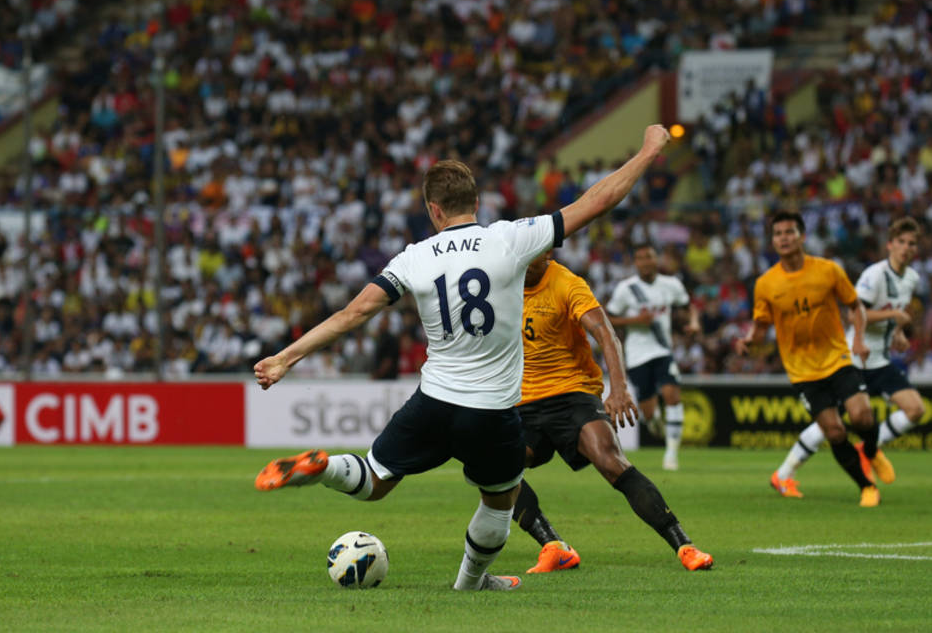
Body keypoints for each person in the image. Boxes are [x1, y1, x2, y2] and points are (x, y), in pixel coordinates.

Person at [251, 124, 673, 591]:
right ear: (477, 202)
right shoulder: (511, 239)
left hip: (433, 400)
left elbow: (353, 313)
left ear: (434, 210)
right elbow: (597, 201)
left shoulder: (413, 257)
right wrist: (647, 151)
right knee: (501, 498)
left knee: (374, 478)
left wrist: (286, 358)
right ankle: (470, 583)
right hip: (492, 410)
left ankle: (326, 467)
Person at [511, 249, 714, 573]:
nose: (520, 261)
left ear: (547, 252)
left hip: (572, 392)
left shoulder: (567, 283)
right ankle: (554, 547)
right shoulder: (502, 283)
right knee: (493, 469)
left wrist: (618, 389)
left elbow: (605, 333)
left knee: (610, 461)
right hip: (524, 401)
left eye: (529, 255)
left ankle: (685, 546)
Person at [733, 211, 891, 508]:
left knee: (862, 416)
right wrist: (749, 341)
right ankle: (867, 486)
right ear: (773, 241)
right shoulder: (766, 283)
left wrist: (858, 339)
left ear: (802, 236)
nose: (784, 238)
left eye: (789, 232)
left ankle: (870, 451)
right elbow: (761, 325)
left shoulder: (828, 270)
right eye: (778, 234)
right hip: (802, 371)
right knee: (834, 431)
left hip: (837, 357)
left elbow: (855, 306)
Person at [768, 217, 926, 497]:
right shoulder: (874, 275)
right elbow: (857, 313)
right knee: (830, 426)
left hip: (881, 360)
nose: (906, 248)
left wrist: (898, 331)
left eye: (911, 243)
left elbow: (896, 313)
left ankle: (868, 450)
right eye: (901, 242)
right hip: (855, 358)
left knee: (915, 409)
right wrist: (893, 316)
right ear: (889, 245)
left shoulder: (911, 278)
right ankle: (783, 474)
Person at [606, 242, 700, 470]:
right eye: (641, 258)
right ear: (635, 262)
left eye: (649, 256)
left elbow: (689, 306)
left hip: (663, 351)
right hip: (637, 356)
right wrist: (635, 321)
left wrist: (694, 322)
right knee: (648, 414)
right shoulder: (626, 289)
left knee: (672, 396)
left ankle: (671, 455)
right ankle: (655, 420)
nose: (646, 262)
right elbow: (607, 319)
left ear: (656, 259)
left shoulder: (671, 284)